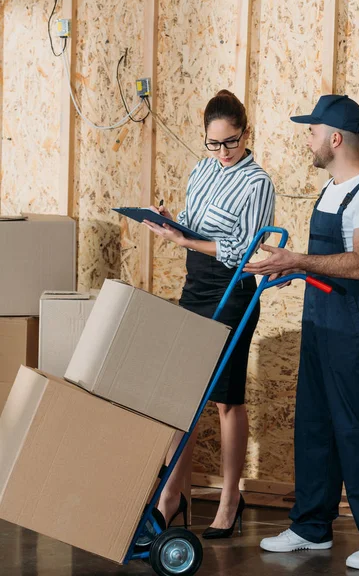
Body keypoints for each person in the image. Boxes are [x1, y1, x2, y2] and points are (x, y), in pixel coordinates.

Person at [244, 94, 359, 570]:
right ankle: (312, 526)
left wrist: (296, 259)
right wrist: (287, 270)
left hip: (352, 325)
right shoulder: (332, 188)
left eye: (312, 131)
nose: (307, 139)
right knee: (315, 427)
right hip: (319, 321)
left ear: (335, 138)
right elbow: (324, 265)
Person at [143, 89, 275, 538]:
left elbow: (244, 250)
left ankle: (229, 501)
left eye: (230, 143)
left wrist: (187, 241)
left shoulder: (258, 183)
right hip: (195, 285)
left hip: (232, 289)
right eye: (213, 144)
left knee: (224, 399)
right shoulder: (200, 170)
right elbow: (191, 221)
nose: (222, 153)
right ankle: (172, 495)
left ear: (246, 134)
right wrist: (169, 223)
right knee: (182, 397)